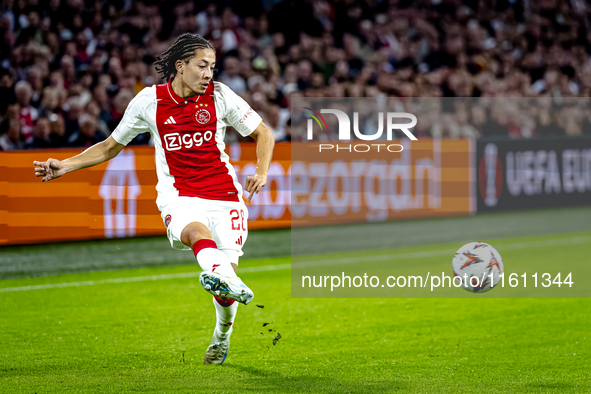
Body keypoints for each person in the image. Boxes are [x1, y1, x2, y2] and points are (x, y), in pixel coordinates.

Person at [33, 33, 275, 365]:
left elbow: (263, 132)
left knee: (222, 286)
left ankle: (222, 334)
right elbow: (110, 145)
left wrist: (261, 172)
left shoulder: (220, 96)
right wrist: (65, 165)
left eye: (213, 67)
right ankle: (230, 281)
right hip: (179, 194)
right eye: (202, 66)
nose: (209, 74)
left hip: (225, 196)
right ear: (181, 66)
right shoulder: (149, 101)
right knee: (195, 235)